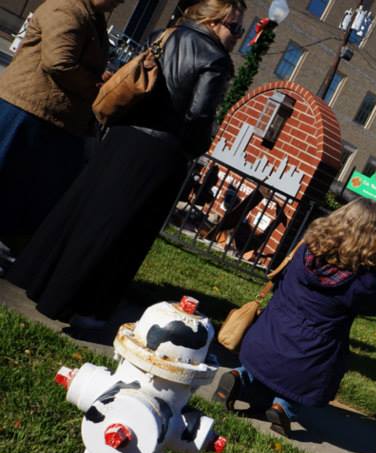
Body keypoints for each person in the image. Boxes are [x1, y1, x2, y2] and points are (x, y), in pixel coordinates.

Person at [7, 0, 245, 330]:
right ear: (211, 21)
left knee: (85, 214)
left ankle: (43, 283)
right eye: (235, 28)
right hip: (159, 152)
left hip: (122, 137)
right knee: (124, 233)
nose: (238, 36)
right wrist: (198, 145)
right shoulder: (215, 60)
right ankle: (86, 308)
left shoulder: (164, 35)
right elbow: (198, 116)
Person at [214, 199, 376, 436]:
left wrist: (368, 222)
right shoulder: (362, 282)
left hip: (263, 341)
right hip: (309, 362)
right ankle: (283, 407)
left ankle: (241, 377)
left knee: (269, 369)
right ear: (374, 238)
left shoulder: (306, 249)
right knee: (305, 376)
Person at [0, 0, 118, 244]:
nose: (121, 2)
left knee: (23, 196)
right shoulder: (67, 8)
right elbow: (59, 63)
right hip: (28, 111)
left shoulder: (91, 16)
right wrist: (100, 88)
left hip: (50, 118)